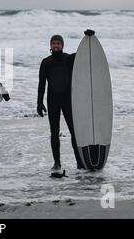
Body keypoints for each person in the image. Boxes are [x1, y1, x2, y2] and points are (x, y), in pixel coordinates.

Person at [37, 30, 95, 171]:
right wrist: (39, 102)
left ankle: (79, 162)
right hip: (52, 101)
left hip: (69, 101)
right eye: (53, 43)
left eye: (58, 43)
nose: (56, 45)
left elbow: (85, 54)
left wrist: (89, 38)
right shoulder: (46, 62)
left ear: (63, 45)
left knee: (74, 133)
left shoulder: (69, 59)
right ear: (50, 45)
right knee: (54, 133)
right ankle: (57, 162)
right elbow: (41, 83)